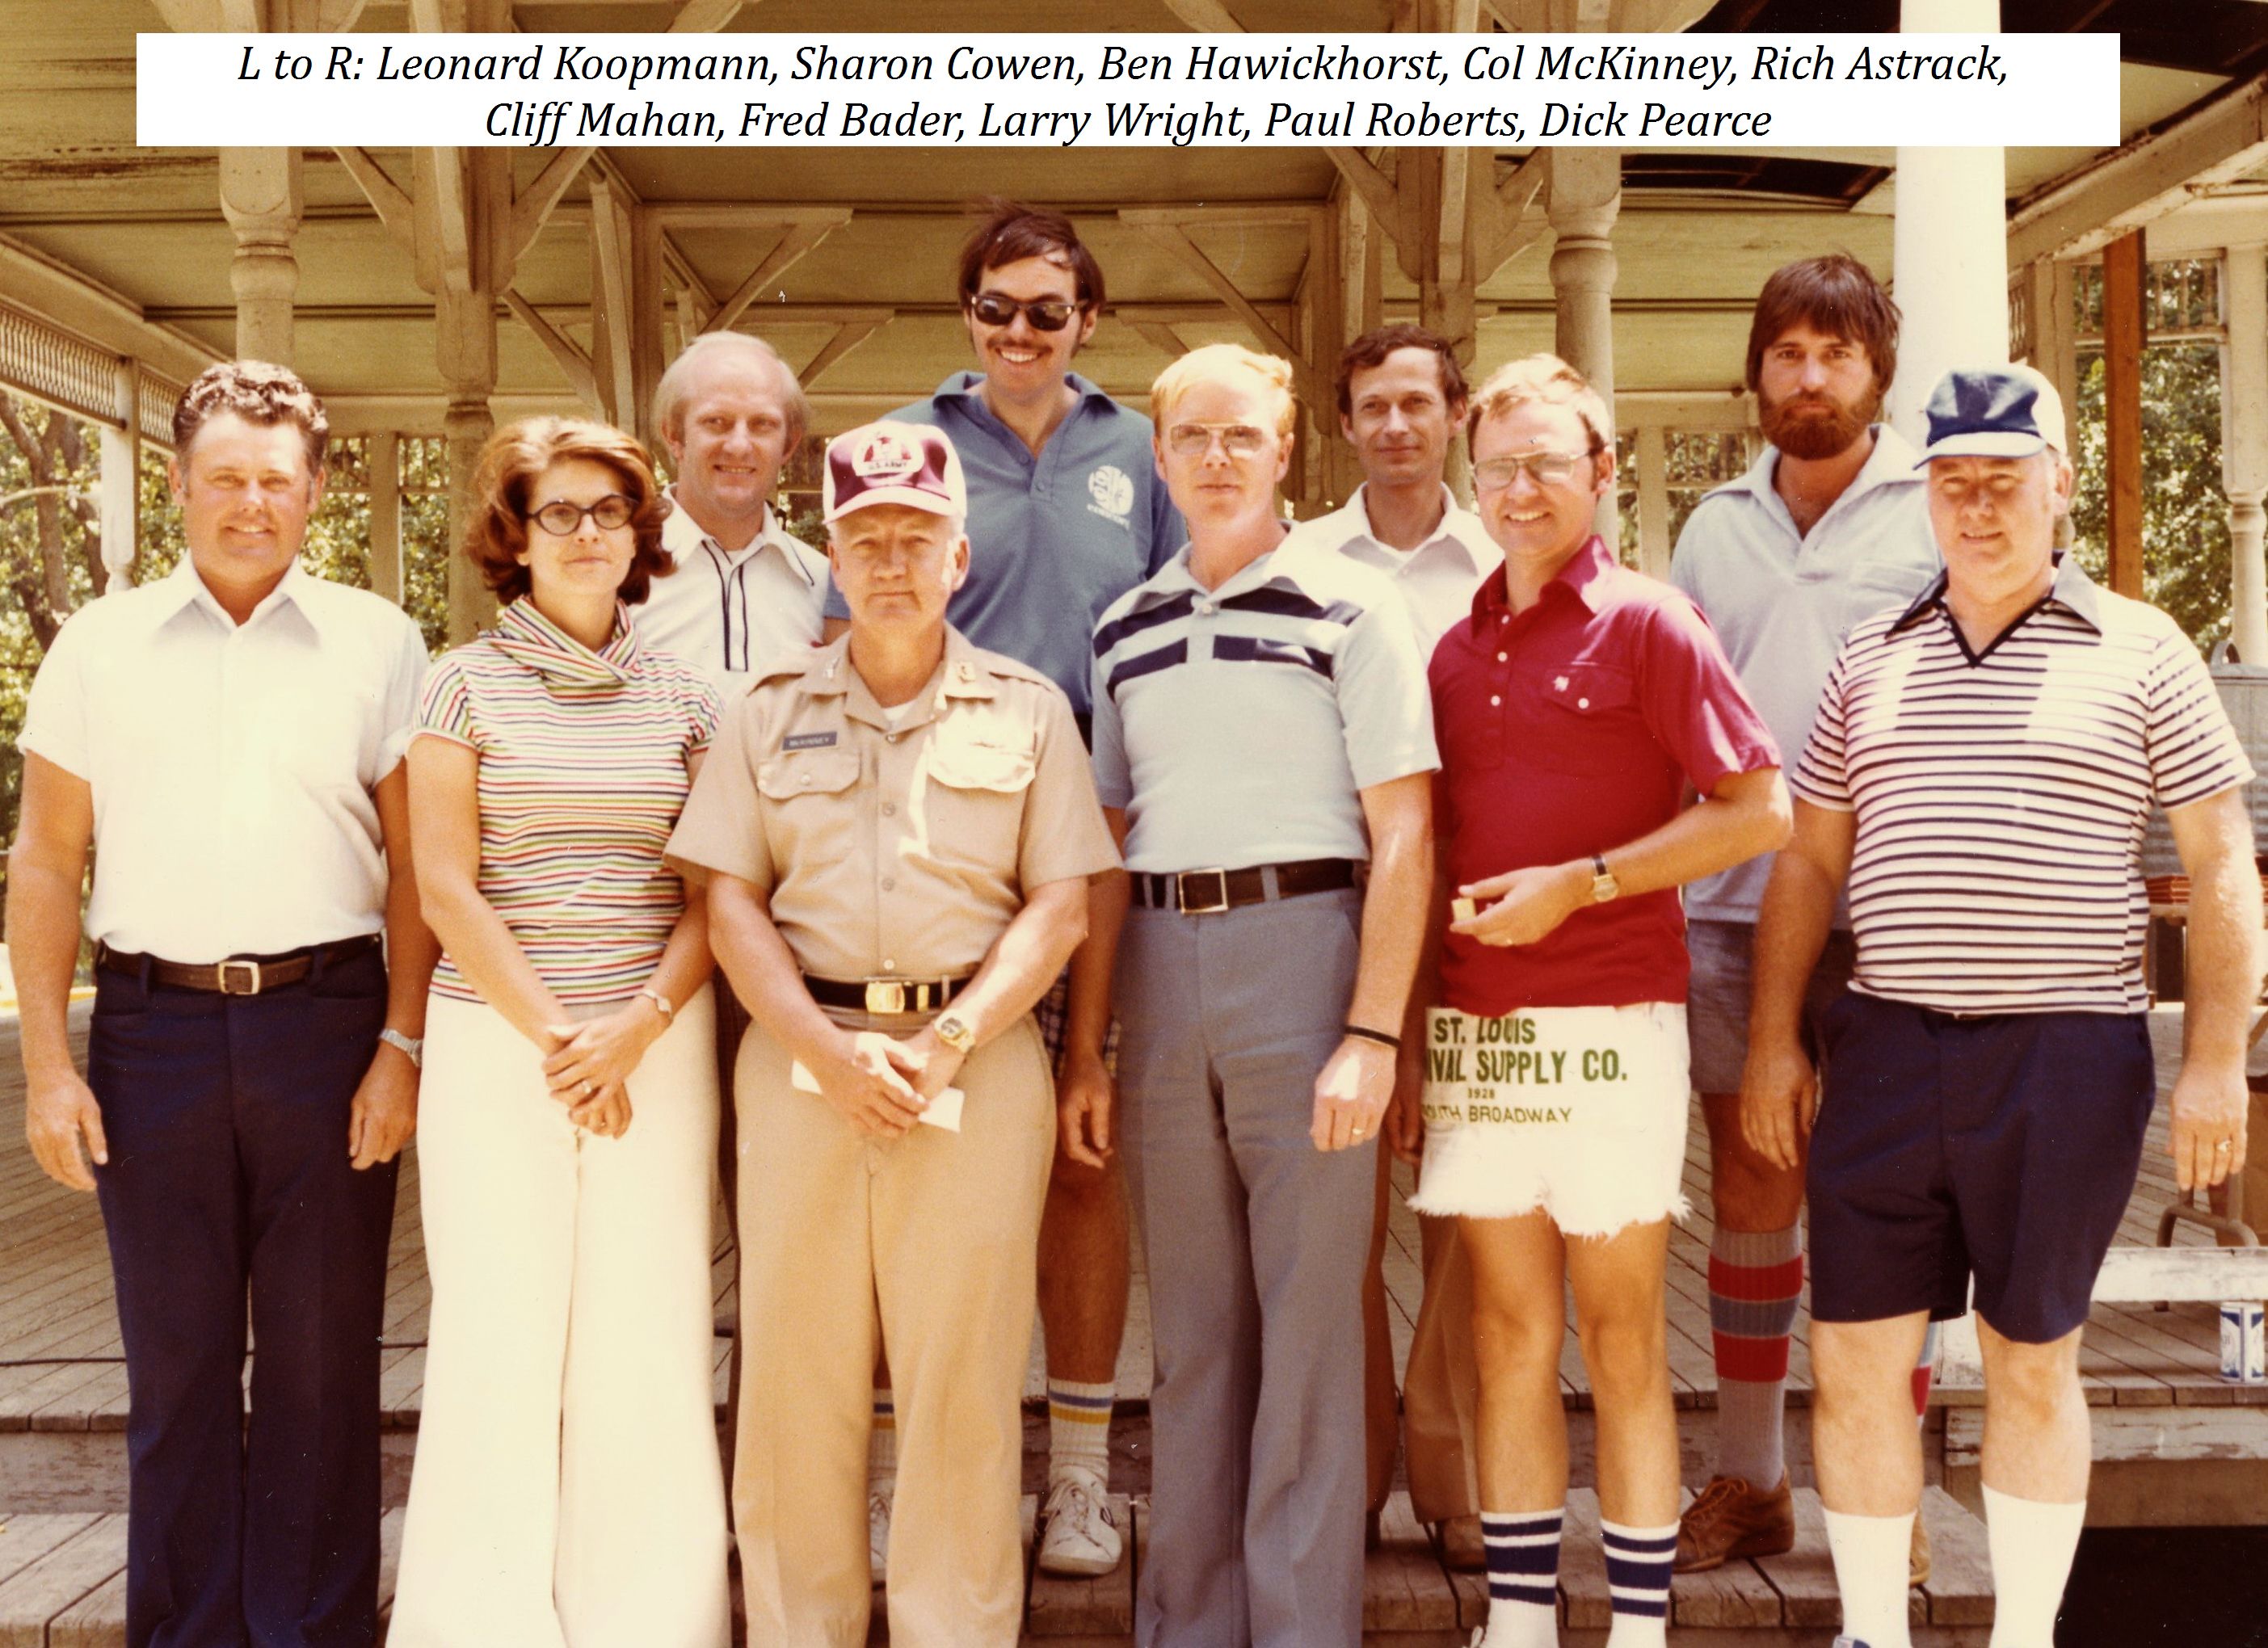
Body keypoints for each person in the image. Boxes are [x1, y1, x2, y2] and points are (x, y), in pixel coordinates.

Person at [1749, 364, 2260, 1648]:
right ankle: (1872, 1630)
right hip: (1884, 1048)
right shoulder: (1872, 656)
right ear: (1926, 491)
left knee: (2033, 1358)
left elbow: (2220, 870)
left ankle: (2023, 1637)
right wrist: (1770, 1041)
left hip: (2065, 1057)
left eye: (2004, 480)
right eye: (1953, 482)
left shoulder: (2143, 646)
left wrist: (2211, 1061)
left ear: (2061, 486)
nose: (1977, 508)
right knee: (1858, 1359)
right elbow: (1809, 863)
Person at [669, 420, 1117, 1647]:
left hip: (972, 1062)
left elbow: (1062, 904)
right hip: (803, 1060)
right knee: (796, 1383)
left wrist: (955, 1036)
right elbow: (728, 900)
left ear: (959, 555)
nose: (891, 563)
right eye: (865, 539)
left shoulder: (1029, 712)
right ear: (832, 555)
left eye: (915, 538)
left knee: (960, 1385)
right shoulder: (765, 714)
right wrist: (820, 1046)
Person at [9, 360, 434, 1648]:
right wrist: (47, 1063)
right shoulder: (99, 645)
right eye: (226, 478)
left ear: (313, 492)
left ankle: (313, 1635)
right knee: (177, 1373)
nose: (251, 503)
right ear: (181, 483)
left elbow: (419, 865)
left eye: (276, 480)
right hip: (154, 1036)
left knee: (320, 1368)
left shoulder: (381, 641)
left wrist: (402, 1045)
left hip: (330, 1026)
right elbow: (44, 858)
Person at [1415, 355, 1788, 1648]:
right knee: (1508, 1332)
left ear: (1602, 473)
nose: (1520, 491)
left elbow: (1760, 809)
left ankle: (1637, 1630)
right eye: (1500, 467)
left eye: (1546, 465)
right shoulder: (1453, 649)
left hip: (1616, 1026)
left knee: (1623, 1337)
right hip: (1481, 1034)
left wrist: (1584, 886)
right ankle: (1518, 1621)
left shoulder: (1650, 622)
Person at [839, 200, 1181, 1579]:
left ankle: (1084, 1477)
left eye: (1049, 310)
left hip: (1095, 846)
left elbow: (1174, 626)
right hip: (939, 848)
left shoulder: (1137, 448)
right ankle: (889, 1473)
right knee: (902, 1162)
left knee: (1080, 1156)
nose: (1021, 332)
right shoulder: (909, 442)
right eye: (997, 308)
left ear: (1087, 322)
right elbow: (851, 623)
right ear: (966, 315)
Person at [1088, 343, 1435, 1646]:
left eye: (1244, 436)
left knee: (1305, 1325)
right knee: (1190, 1329)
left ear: (1286, 450)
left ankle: (1299, 1628)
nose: (1218, 459)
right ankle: (1189, 1622)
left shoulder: (1353, 607)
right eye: (1192, 438)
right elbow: (1109, 835)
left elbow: (1404, 831)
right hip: (1163, 973)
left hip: (1308, 953)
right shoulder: (1120, 627)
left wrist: (1373, 1030)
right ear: (1161, 458)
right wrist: (1096, 1044)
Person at [391, 418, 728, 1646]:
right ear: (515, 537)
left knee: (647, 1334)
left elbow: (712, 901)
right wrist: (559, 1041)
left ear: (641, 532)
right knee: (500, 1336)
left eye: (609, 512)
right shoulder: (460, 681)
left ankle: (648, 1624)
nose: (587, 533)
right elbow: (444, 887)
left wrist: (632, 1030)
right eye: (559, 513)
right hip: (501, 1048)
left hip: (656, 1045)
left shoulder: (690, 697)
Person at [1662, 254, 1943, 1579]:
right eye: (1788, 352)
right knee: (1757, 1185)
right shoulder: (1714, 524)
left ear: (1877, 369)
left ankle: (1893, 1504)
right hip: (1731, 905)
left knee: (1894, 1202)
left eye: (1836, 352)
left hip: (1894, 909)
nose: (1810, 375)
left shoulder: (1935, 508)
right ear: (1758, 370)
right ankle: (1756, 1478)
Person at [1280, 322, 1500, 1568]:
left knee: (1468, 1201)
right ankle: (1358, 1470)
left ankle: (1445, 1448)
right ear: (1346, 423)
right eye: (1375, 405)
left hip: (1487, 905)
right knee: (1344, 1212)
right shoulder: (1301, 562)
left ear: (1455, 415)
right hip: (1347, 903)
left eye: (1420, 402)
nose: (1399, 425)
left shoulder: (1504, 554)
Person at [633, 328, 831, 1475]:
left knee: (780, 1199)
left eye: (762, 423)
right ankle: (668, 1480)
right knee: (661, 1196)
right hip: (645, 921)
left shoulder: (822, 580)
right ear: (674, 436)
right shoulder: (620, 563)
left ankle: (777, 1470)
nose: (740, 442)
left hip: (783, 927)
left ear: (789, 445)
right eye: (716, 420)